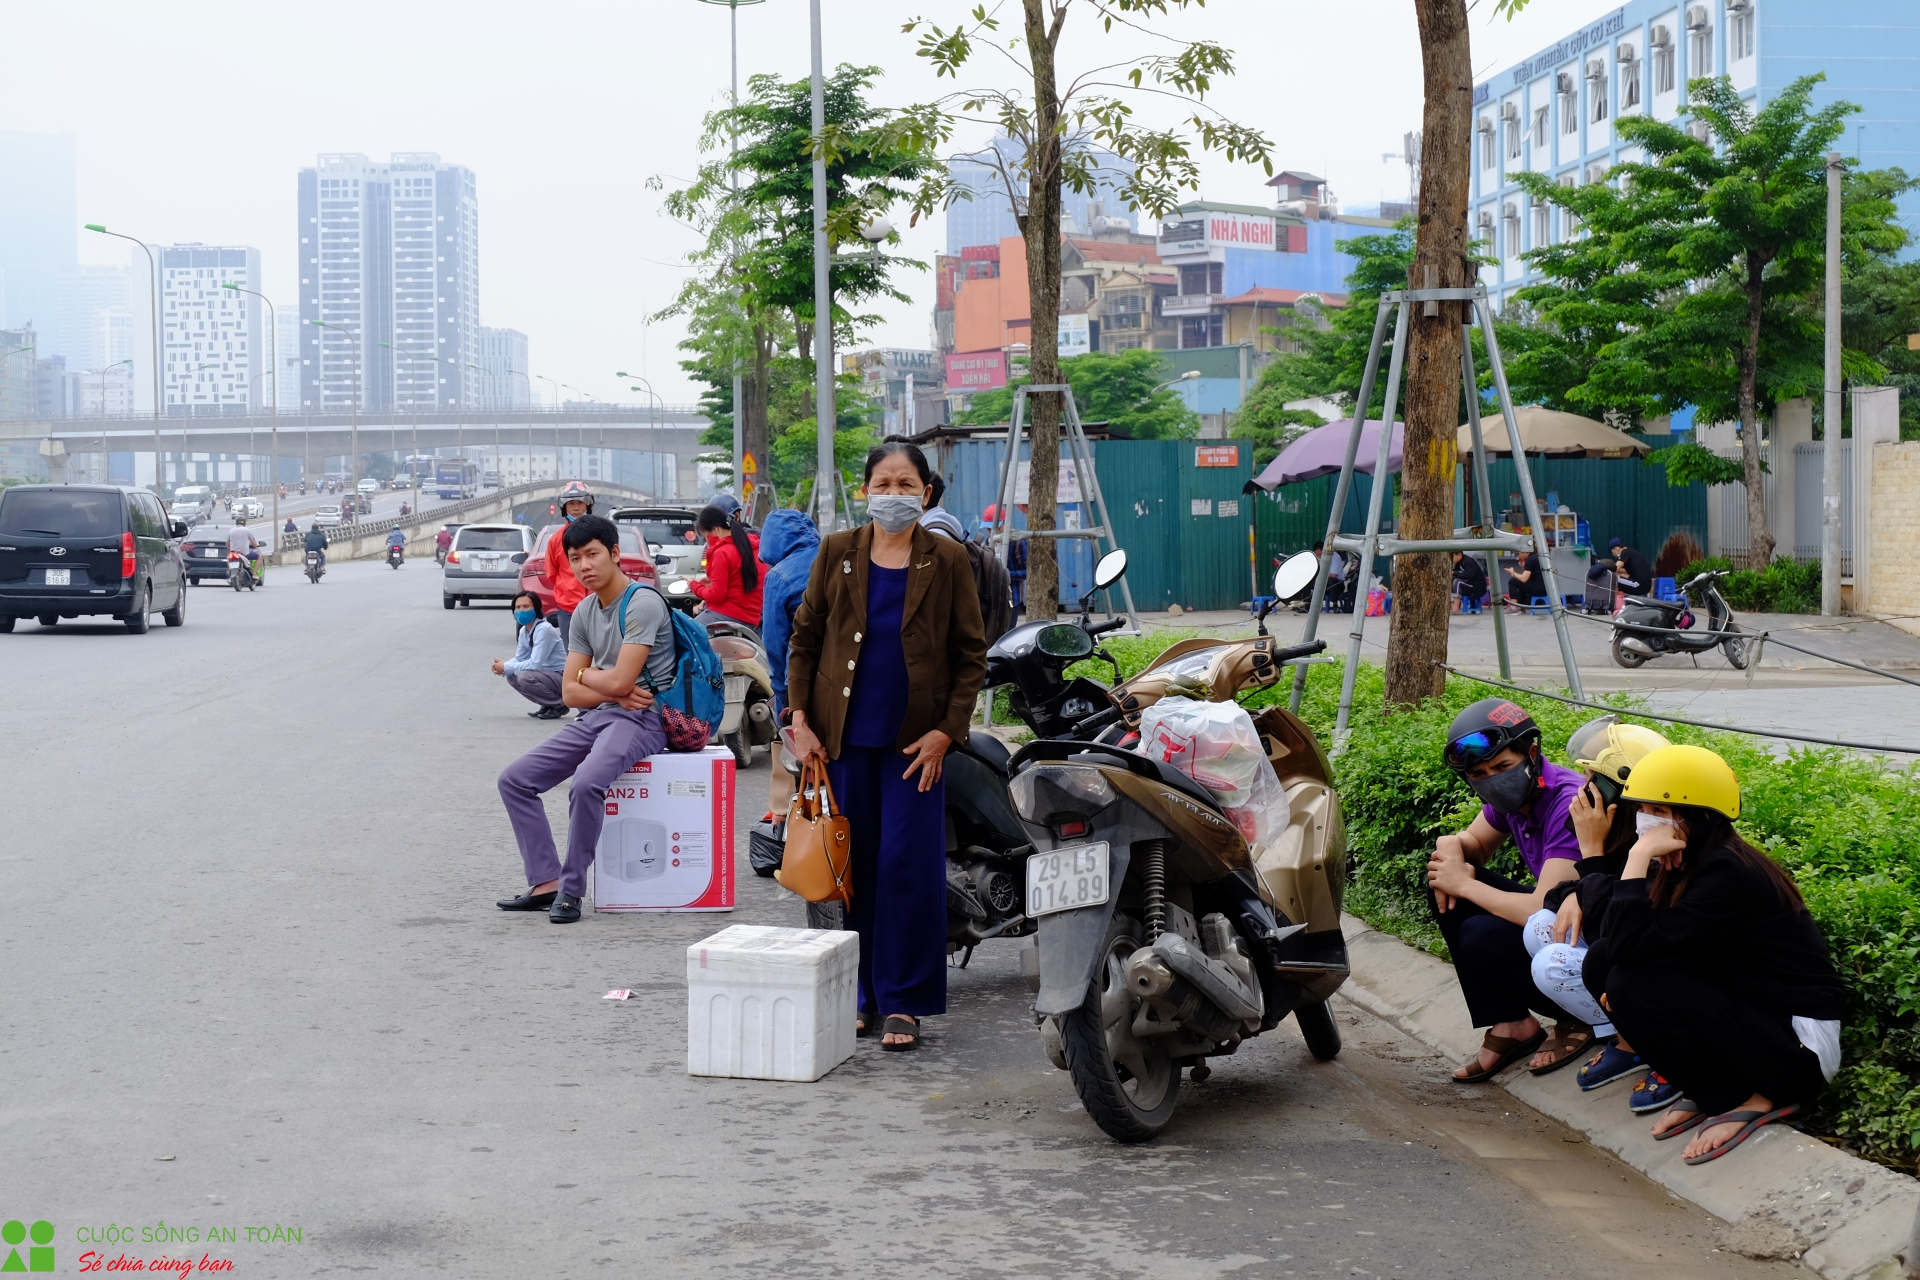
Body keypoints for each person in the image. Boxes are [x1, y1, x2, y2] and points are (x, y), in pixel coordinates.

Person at [787, 441, 988, 1051]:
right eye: (884, 483)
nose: (894, 495)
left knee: (906, 869)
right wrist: (799, 719)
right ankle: (860, 994)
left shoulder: (948, 559)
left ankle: (903, 1000)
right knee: (852, 871)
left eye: (907, 485)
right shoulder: (838, 551)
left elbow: (969, 656)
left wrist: (945, 731)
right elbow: (805, 639)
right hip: (841, 741)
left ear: (925, 494)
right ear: (865, 489)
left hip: (912, 747)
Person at [1588, 745, 1845, 1164]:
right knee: (1601, 962)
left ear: (1701, 817)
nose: (1647, 821)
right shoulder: (1683, 863)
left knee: (1627, 980)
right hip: (1754, 1022)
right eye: (1643, 808)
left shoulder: (1728, 873)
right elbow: (1618, 944)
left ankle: (1744, 1098)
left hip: (1797, 1049)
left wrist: (1636, 856)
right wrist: (1641, 862)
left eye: (1661, 809)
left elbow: (1630, 949)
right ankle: (1709, 1089)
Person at [495, 516, 674, 923]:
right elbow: (568, 694)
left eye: (592, 554)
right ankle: (546, 882)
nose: (583, 566)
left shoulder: (642, 602)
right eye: (575, 559)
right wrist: (606, 684)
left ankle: (572, 890)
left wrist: (591, 676)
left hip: (643, 717)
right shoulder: (583, 612)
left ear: (614, 554)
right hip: (600, 714)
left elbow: (620, 680)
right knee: (515, 780)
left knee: (588, 782)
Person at [1425, 698, 1585, 1080]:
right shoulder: (1515, 796)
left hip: (1589, 935)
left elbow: (1542, 910)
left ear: (1531, 753)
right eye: (1480, 775)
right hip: (1554, 924)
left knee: (1481, 933)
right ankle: (1511, 1023)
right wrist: (1451, 844)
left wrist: (1463, 883)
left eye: (1502, 767)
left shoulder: (1567, 802)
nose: (1492, 779)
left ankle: (1577, 1016)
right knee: (1436, 873)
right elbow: (1476, 846)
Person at [1520, 715, 1672, 1086]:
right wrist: (1576, 892)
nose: (1583, 787)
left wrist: (1591, 852)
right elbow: (1563, 893)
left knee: (1550, 962)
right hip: (1627, 952)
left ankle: (1637, 1041)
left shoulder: (1655, 842)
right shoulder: (1618, 830)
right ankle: (1615, 1033)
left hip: (1651, 965)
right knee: (1539, 926)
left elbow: (1616, 931)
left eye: (1593, 779)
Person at [758, 507, 822, 827]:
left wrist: (784, 701)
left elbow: (775, 644)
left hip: (801, 681)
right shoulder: (836, 558)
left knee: (798, 751)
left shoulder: (780, 576)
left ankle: (790, 821)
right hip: (847, 680)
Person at [688, 504, 764, 634]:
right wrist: (713, 581)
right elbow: (740, 579)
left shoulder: (722, 552)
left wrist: (693, 585)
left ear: (715, 530)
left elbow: (716, 596)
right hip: (753, 620)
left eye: (706, 536)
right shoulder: (754, 547)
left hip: (728, 615)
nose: (707, 541)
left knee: (685, 632)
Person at [494, 591, 569, 719]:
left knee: (525, 677)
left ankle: (559, 705)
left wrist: (506, 666)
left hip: (562, 677)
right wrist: (503, 667)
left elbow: (535, 664)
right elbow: (520, 657)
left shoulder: (544, 629)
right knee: (512, 675)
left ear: (536, 609)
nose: (521, 610)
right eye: (517, 608)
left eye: (526, 606)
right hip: (545, 676)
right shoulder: (524, 630)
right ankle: (547, 704)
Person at [540, 482, 596, 647]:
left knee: (606, 657)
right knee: (573, 656)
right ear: (564, 508)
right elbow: (552, 573)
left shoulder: (601, 533)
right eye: (571, 504)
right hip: (569, 609)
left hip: (600, 606)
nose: (576, 507)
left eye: (580, 503)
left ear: (588, 504)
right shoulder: (556, 539)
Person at [226, 517, 263, 586]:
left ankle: (231, 571)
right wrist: (257, 545)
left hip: (233, 553)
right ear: (244, 523)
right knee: (259, 557)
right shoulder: (247, 530)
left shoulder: (230, 531)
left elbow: (227, 544)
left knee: (228, 558)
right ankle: (254, 573)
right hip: (245, 554)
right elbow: (254, 543)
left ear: (236, 523)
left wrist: (231, 548)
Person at [1451, 549, 1489, 613]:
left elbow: (1469, 576)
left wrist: (1455, 573)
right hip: (1469, 584)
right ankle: (1451, 604)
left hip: (1477, 587)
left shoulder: (1468, 562)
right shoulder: (1459, 563)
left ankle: (1456, 608)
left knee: (1457, 582)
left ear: (1459, 555)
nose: (1452, 559)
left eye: (1453, 556)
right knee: (1452, 581)